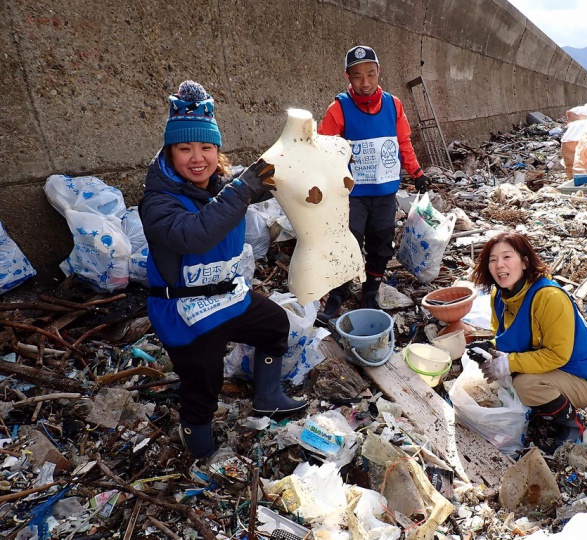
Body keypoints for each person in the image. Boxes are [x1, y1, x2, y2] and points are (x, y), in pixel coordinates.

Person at [139, 80, 307, 459]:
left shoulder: (221, 186)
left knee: (274, 324)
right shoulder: (158, 203)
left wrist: (304, 168)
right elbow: (195, 235)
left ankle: (267, 398)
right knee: (204, 383)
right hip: (186, 313)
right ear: (170, 152)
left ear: (217, 151)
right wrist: (243, 190)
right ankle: (197, 444)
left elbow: (261, 185)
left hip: (227, 296)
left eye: (207, 148)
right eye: (185, 148)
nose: (197, 158)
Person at [316, 45, 431, 321]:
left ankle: (371, 290)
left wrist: (416, 173)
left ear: (379, 71)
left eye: (370, 73)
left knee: (382, 244)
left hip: (384, 195)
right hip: (353, 196)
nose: (365, 82)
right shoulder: (339, 107)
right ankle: (338, 293)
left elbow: (403, 142)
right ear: (348, 76)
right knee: (348, 243)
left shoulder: (393, 104)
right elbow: (323, 147)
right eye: (357, 76)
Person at [468, 231, 587, 448]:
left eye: (507, 257)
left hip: (584, 378)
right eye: (493, 260)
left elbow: (558, 354)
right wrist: (489, 348)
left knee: (525, 384)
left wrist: (509, 363)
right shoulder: (499, 295)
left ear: (525, 262)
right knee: (505, 376)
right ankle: (544, 410)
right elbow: (507, 338)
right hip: (555, 371)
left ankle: (571, 425)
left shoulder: (548, 297)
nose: (499, 265)